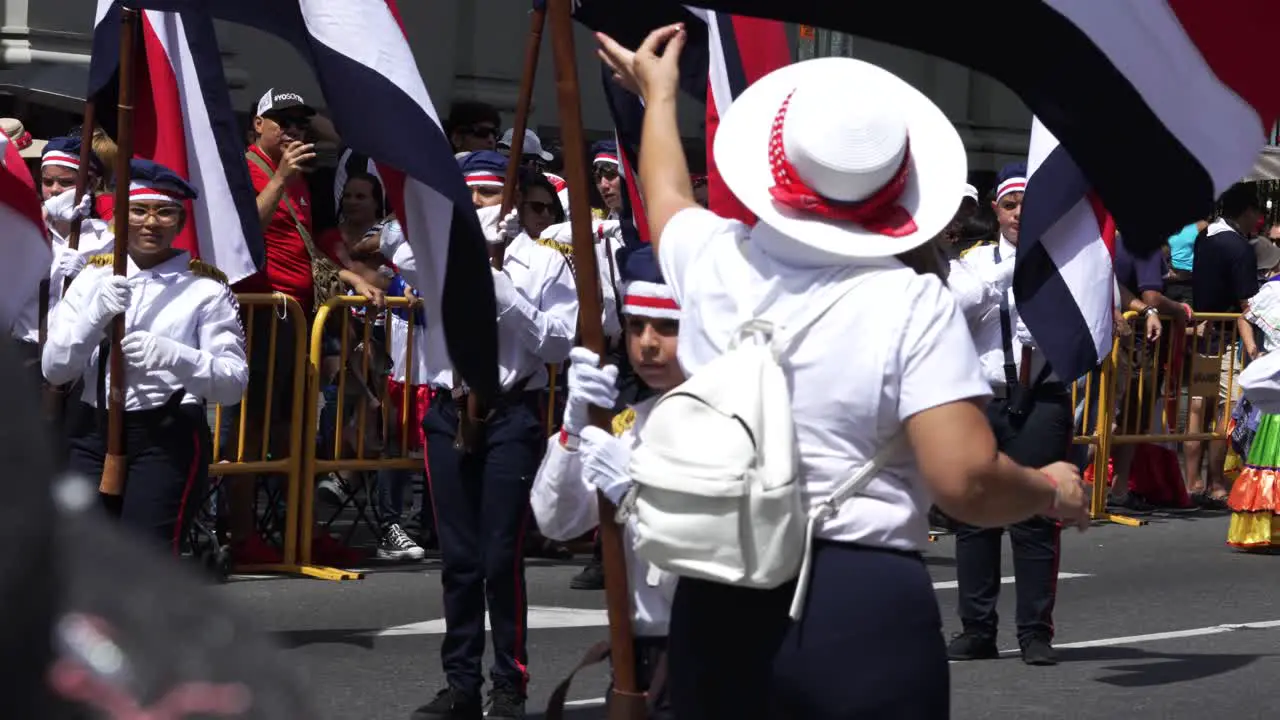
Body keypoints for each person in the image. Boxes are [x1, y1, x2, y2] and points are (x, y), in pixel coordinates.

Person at [596, 25, 1088, 719]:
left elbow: (667, 192)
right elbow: (966, 480)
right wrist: (1047, 487)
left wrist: (659, 95)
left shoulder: (714, 260)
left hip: (717, 594)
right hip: (858, 603)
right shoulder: (914, 301)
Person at [410, 198, 578, 719]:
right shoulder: (435, 254)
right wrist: (471, 250)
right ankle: (460, 683)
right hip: (447, 411)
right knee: (458, 560)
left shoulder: (547, 262)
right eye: (471, 197)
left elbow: (559, 344)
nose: (482, 206)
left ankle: (510, 683)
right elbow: (397, 244)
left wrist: (507, 296)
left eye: (489, 195)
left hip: (509, 413)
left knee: (500, 557)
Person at [42, 159, 248, 552]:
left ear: (180, 222)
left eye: (164, 212)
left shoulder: (205, 290)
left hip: (163, 433)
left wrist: (177, 357)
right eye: (139, 210)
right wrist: (92, 318)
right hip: (90, 430)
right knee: (79, 559)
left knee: (144, 561)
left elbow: (232, 384)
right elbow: (56, 367)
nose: (151, 223)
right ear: (121, 216)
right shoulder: (93, 278)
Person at [531, 246, 681, 719]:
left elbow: (715, 565)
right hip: (637, 654)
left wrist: (635, 501)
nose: (647, 343)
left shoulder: (733, 420)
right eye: (636, 326)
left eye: (667, 327)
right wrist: (574, 431)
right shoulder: (630, 424)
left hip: (706, 653)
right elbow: (556, 521)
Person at [945, 162, 1076, 667]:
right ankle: (977, 629)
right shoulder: (973, 262)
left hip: (1040, 397)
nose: (1020, 213)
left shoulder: (1065, 260)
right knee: (974, 518)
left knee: (1036, 518)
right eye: (1010, 204)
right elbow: (962, 306)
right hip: (983, 398)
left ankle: (1034, 632)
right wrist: (1014, 270)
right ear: (996, 211)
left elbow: (1088, 317)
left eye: (1028, 202)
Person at [1227, 267, 1280, 549]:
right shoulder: (1274, 290)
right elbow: (1244, 318)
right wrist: (1252, 350)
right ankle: (1266, 526)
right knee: (1273, 457)